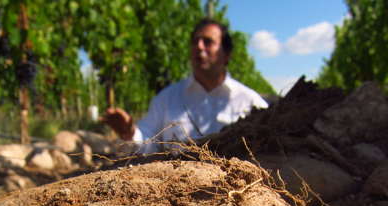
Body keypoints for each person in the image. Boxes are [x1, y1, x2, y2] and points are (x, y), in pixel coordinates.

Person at [102, 18, 268, 155]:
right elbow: (147, 144)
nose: (199, 47)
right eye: (195, 42)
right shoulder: (166, 99)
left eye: (208, 42)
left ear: (226, 54)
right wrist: (128, 133)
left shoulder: (250, 101)